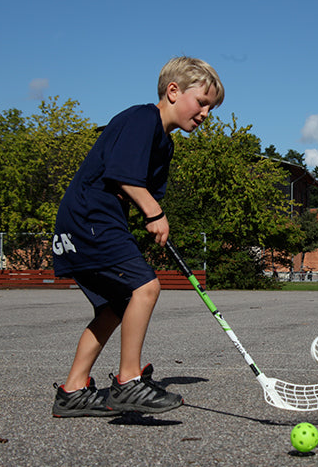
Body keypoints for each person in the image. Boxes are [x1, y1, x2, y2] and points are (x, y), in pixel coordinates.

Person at [51, 56, 224, 417]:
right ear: (173, 91)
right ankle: (128, 381)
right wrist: (154, 213)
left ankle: (73, 390)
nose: (205, 113)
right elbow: (121, 174)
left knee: (115, 306)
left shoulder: (165, 144)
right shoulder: (142, 118)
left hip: (94, 221)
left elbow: (140, 190)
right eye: (201, 102)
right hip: (89, 218)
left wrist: (151, 215)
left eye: (211, 107)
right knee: (145, 287)